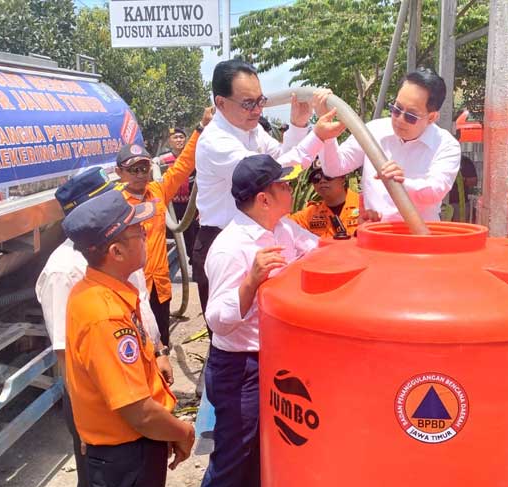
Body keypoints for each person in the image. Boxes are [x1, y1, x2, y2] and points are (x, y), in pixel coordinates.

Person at [35, 168, 171, 487]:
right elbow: (66, 352)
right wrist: (85, 424)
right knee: (104, 483)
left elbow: (139, 303)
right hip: (101, 403)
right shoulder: (64, 271)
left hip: (132, 380)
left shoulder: (119, 255)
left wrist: (158, 350)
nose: (121, 200)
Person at [193, 59, 346, 336]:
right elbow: (277, 173)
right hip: (223, 240)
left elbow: (277, 158)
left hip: (258, 234)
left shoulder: (251, 130)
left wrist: (299, 125)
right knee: (230, 334)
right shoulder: (216, 142)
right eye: (248, 103)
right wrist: (317, 137)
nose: (257, 110)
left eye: (260, 100)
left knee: (264, 332)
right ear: (221, 102)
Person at [198, 154, 319, 487]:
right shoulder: (231, 248)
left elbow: (318, 251)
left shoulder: (283, 229)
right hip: (240, 369)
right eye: (282, 184)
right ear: (264, 198)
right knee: (232, 461)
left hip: (272, 362)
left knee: (261, 457)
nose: (290, 188)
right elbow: (217, 320)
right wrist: (251, 282)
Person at [63, 189, 195, 487]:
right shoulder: (105, 314)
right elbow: (139, 412)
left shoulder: (101, 291)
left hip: (128, 452)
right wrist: (183, 432)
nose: (147, 233)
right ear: (116, 252)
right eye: (138, 231)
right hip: (125, 460)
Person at [116, 107, 212, 349]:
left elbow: (183, 166)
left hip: (159, 288)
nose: (140, 174)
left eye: (144, 168)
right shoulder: (114, 204)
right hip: (131, 290)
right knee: (137, 349)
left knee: (162, 347)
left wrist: (200, 128)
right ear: (120, 173)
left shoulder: (158, 192)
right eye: (133, 170)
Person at [319, 67, 461, 223]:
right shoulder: (374, 130)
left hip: (418, 240)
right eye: (396, 109)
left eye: (410, 116)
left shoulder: (446, 145)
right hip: (374, 236)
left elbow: (435, 191)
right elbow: (334, 168)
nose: (399, 119)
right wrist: (327, 136)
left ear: (431, 117)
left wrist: (402, 182)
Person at [289, 158, 359, 238]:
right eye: (316, 178)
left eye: (328, 175)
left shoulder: (364, 206)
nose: (322, 181)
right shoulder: (310, 215)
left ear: (342, 178)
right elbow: (281, 223)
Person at [158, 127, 200, 260]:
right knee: (169, 239)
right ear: (169, 141)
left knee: (193, 237)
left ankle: (195, 267)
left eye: (181, 137)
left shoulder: (194, 158)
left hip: (190, 205)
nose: (179, 140)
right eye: (175, 137)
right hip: (171, 205)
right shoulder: (161, 160)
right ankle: (172, 265)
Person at [448, 155, 478, 222]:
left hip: (459, 205)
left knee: (457, 230)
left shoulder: (465, 161)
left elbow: (474, 181)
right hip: (440, 205)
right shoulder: (437, 159)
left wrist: (461, 179)